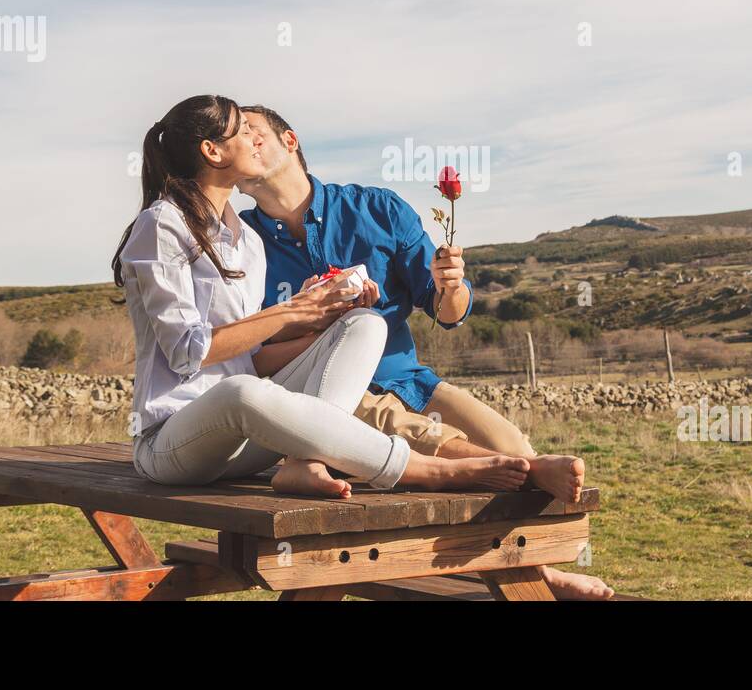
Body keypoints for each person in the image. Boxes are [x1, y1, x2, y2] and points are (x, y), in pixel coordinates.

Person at [238, 104, 616, 598]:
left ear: (290, 141)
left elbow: (448, 311)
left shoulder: (377, 209)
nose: (243, 142)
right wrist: (317, 315)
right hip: (320, 391)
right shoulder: (242, 242)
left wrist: (451, 284)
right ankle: (532, 559)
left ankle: (534, 570)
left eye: (253, 131)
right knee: (410, 434)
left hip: (408, 378)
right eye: (233, 140)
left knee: (510, 441)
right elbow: (254, 348)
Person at [113, 94, 531, 499]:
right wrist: (295, 311)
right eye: (242, 132)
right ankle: (425, 470)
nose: (252, 140)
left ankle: (307, 459)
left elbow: (252, 355)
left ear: (289, 142)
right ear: (213, 151)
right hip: (188, 432)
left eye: (255, 131)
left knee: (368, 323)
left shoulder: (244, 240)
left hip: (283, 427)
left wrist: (323, 320)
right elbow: (192, 353)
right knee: (242, 392)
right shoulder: (166, 224)